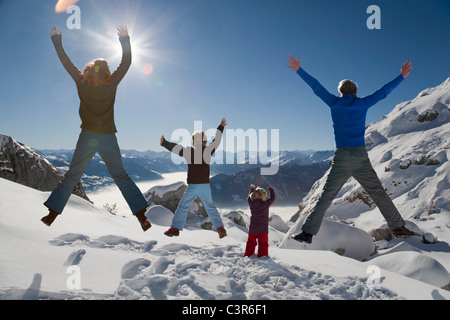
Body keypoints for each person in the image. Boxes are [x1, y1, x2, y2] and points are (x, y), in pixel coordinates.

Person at [285, 55, 415, 244]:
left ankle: (307, 233)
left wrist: (299, 69)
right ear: (355, 92)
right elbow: (383, 92)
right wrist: (401, 76)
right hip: (361, 157)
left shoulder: (335, 103)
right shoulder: (362, 104)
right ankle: (398, 227)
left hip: (342, 157)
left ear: (341, 92)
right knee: (377, 192)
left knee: (327, 195)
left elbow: (316, 87)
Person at [41, 25, 151, 231]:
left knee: (73, 175)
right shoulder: (111, 84)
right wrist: (125, 39)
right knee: (120, 175)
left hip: (87, 136)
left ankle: (52, 214)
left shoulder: (81, 82)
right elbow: (126, 63)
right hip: (108, 137)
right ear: (107, 72)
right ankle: (141, 216)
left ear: (89, 70)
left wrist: (56, 40)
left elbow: (66, 62)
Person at [160, 118, 228, 239]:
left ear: (193, 143)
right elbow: (216, 141)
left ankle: (175, 228)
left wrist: (164, 143)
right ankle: (220, 228)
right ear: (205, 142)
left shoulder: (188, 152)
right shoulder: (208, 151)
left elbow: (176, 148)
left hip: (193, 185)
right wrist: (221, 127)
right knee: (210, 207)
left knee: (184, 206)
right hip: (205, 185)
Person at [244, 184, 275, 258]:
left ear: (253, 195)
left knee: (251, 243)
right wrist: (271, 189)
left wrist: (252, 189)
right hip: (263, 229)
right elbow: (272, 198)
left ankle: (248, 255)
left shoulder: (251, 203)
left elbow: (248, 198)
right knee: (263, 243)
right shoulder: (266, 204)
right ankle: (262, 256)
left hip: (253, 229)